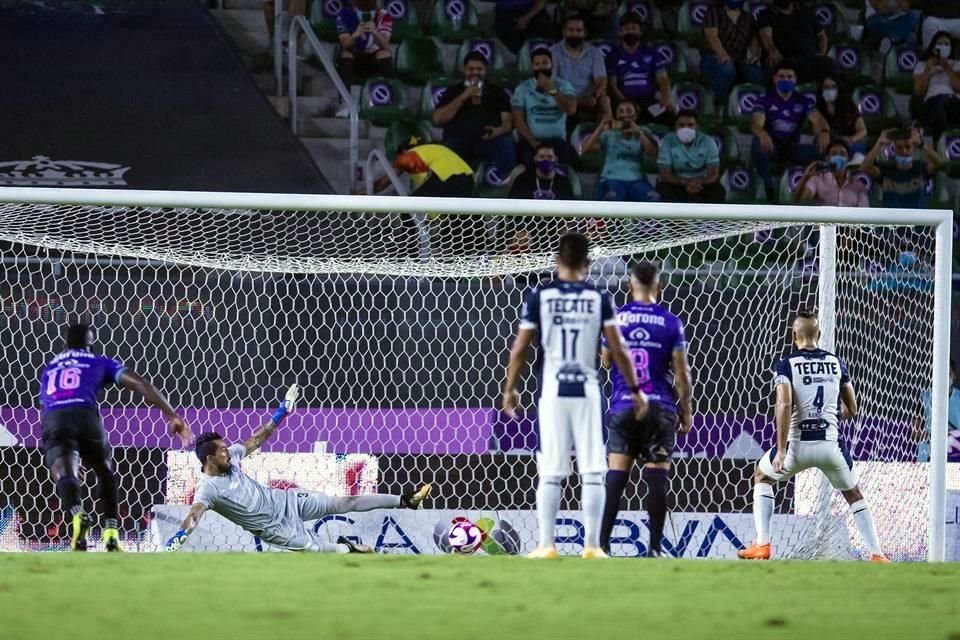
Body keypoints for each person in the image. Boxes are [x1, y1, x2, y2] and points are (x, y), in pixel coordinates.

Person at [502, 233, 648, 559]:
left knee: (551, 470)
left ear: (556, 260)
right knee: (594, 470)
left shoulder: (541, 294)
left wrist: (510, 388)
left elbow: (521, 347)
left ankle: (546, 545)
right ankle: (593, 546)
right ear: (588, 263)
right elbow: (619, 348)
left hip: (552, 391)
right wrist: (635, 388)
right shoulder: (599, 297)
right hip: (587, 390)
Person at [166, 385, 433, 553]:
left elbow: (257, 439)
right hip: (275, 530)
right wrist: (179, 537)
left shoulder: (233, 456)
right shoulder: (208, 489)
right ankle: (348, 549)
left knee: (344, 501)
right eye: (222, 450)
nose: (229, 451)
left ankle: (406, 500)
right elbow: (194, 514)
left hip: (287, 502)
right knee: (330, 553)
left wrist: (282, 411)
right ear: (210, 460)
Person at [737, 312, 890, 562]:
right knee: (853, 494)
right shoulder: (836, 363)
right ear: (818, 335)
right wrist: (828, 416)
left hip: (797, 446)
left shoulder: (786, 364)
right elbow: (852, 409)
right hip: (831, 447)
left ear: (793, 335)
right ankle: (877, 554)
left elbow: (784, 404)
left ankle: (762, 544)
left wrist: (782, 450)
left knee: (762, 477)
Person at [39, 323, 192, 551]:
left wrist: (67, 454)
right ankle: (111, 534)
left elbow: (48, 406)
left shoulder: (50, 368)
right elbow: (140, 384)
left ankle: (77, 516)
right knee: (105, 470)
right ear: (90, 344)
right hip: (87, 417)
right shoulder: (98, 361)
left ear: (64, 344)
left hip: (55, 419)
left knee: (63, 473)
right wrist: (172, 415)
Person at [599, 262, 692, 558]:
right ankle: (653, 549)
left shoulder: (617, 318)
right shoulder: (671, 322)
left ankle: (601, 545)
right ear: (658, 288)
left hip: (625, 405)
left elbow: (605, 361)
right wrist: (686, 409)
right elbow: (681, 373)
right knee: (656, 477)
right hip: (660, 407)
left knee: (616, 475)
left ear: (630, 286)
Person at [751, 63, 828, 200]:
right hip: (771, 147)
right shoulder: (764, 99)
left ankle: (821, 194)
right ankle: (769, 191)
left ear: (795, 79)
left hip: (793, 148)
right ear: (774, 78)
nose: (785, 80)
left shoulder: (803, 100)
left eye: (789, 77)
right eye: (781, 76)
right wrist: (762, 133)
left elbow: (818, 119)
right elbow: (756, 124)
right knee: (757, 144)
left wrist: (824, 132)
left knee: (824, 150)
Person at [433, 51, 516, 176]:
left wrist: (498, 131)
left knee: (506, 143)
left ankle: (508, 183)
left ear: (485, 70)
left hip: (488, 141)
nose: (475, 72)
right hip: (458, 140)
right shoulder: (453, 91)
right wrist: (464, 96)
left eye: (479, 69)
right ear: (464, 69)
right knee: (447, 150)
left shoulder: (497, 91)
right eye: (471, 69)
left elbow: (507, 122)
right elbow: (438, 119)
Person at [512, 48, 579, 168]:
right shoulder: (522, 88)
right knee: (527, 164)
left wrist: (552, 90)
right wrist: (535, 144)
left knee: (572, 164)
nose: (541, 67)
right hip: (533, 141)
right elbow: (518, 121)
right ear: (532, 67)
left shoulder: (564, 85)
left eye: (545, 63)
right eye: (537, 64)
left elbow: (571, 110)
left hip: (558, 141)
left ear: (551, 65)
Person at [579, 101, 659, 202]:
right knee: (612, 199)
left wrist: (639, 132)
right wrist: (600, 127)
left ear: (636, 115)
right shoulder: (608, 134)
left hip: (637, 179)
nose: (625, 114)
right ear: (616, 115)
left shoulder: (644, 131)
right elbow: (585, 150)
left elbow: (652, 153)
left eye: (629, 110)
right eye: (621, 111)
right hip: (611, 178)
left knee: (654, 198)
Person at [606, 13, 673, 127]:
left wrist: (665, 99)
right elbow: (613, 85)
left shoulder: (651, 52)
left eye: (634, 28)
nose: (630, 32)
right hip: (623, 102)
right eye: (627, 29)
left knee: (670, 116)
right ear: (620, 32)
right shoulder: (614, 55)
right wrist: (628, 104)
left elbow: (663, 79)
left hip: (649, 101)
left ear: (640, 32)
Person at [550, 13, 611, 128]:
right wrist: (573, 100)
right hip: (563, 99)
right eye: (571, 30)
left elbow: (601, 80)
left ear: (585, 33)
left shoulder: (595, 53)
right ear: (564, 32)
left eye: (578, 30)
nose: (575, 34)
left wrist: (594, 95)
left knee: (605, 100)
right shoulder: (553, 52)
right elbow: (551, 83)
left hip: (589, 98)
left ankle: (604, 137)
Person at [701, 0, 765, 110]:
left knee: (757, 75)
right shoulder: (714, 13)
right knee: (727, 70)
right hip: (714, 57)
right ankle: (718, 107)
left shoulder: (748, 17)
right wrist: (722, 54)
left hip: (739, 59)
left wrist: (755, 55)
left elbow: (754, 40)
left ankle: (759, 111)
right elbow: (712, 37)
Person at [861, 127, 944, 208]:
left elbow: (940, 164)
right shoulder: (885, 170)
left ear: (914, 148)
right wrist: (879, 143)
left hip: (917, 219)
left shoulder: (921, 169)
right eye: (899, 147)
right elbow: (865, 168)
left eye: (908, 147)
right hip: (892, 218)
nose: (904, 151)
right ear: (894, 149)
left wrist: (921, 144)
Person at [757, 0, 836, 83]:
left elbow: (822, 36)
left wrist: (821, 54)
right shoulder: (765, 14)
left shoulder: (806, 11)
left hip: (810, 59)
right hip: (786, 61)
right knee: (785, 70)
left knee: (830, 64)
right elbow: (766, 35)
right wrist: (772, 50)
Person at [656, 109, 725, 203]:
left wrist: (698, 182)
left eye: (690, 125)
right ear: (675, 126)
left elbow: (713, 173)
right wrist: (685, 182)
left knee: (719, 191)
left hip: (701, 183)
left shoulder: (708, 142)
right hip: (676, 183)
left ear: (696, 126)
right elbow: (665, 174)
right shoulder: (667, 141)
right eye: (681, 125)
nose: (685, 129)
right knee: (664, 191)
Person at [336, 0, 393, 112]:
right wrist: (356, 34)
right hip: (355, 58)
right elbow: (345, 43)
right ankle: (344, 103)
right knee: (345, 54)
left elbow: (386, 45)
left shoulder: (384, 15)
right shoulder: (344, 14)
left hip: (372, 59)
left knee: (385, 54)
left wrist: (375, 32)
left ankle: (388, 101)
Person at [370, 137, 474, 197]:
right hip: (468, 181)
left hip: (448, 181)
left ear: (403, 152)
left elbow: (381, 184)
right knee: (467, 227)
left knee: (409, 209)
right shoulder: (434, 151)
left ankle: (407, 236)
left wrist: (395, 164)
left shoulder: (411, 155)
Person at [913, 32, 960, 142]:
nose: (943, 46)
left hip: (954, 104)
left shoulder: (957, 64)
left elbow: (958, 88)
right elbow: (918, 91)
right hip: (931, 103)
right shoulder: (922, 65)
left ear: (951, 48)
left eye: (946, 44)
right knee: (941, 117)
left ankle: (922, 129)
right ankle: (938, 149)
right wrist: (928, 70)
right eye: (939, 43)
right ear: (933, 47)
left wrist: (946, 67)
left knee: (942, 99)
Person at [792, 139, 870, 206]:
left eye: (842, 154)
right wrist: (805, 177)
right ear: (828, 159)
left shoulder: (859, 186)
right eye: (834, 154)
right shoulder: (817, 180)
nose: (838, 156)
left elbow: (865, 216)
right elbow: (799, 202)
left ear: (848, 159)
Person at [914, 360, 960, 463]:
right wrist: (938, 438)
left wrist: (953, 437)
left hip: (956, 457)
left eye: (948, 374)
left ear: (954, 376)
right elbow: (915, 433)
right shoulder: (924, 398)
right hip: (928, 457)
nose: (945, 378)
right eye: (941, 374)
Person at [814, 75, 868, 156]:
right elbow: (817, 132)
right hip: (828, 145)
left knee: (858, 149)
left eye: (833, 87)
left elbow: (863, 131)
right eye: (826, 87)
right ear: (821, 90)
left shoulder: (850, 108)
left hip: (847, 144)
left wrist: (851, 139)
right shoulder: (817, 109)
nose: (830, 90)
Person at [508, 143, 576, 200]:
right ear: (535, 158)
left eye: (549, 157)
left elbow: (571, 209)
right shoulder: (522, 180)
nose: (545, 160)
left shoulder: (564, 183)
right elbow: (512, 206)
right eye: (541, 157)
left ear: (556, 159)